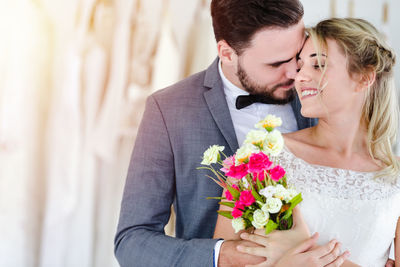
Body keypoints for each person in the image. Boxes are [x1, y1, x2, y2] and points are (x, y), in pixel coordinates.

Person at [114, 0, 320, 266]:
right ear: (227, 53)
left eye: (298, 54)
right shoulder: (168, 110)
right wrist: (222, 255)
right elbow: (132, 241)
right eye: (276, 63)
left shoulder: (324, 90)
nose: (296, 73)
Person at [214, 18, 400, 267]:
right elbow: (225, 259)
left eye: (319, 65)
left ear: (364, 77)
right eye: (301, 66)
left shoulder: (395, 176)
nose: (300, 77)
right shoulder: (262, 157)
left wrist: (305, 250)